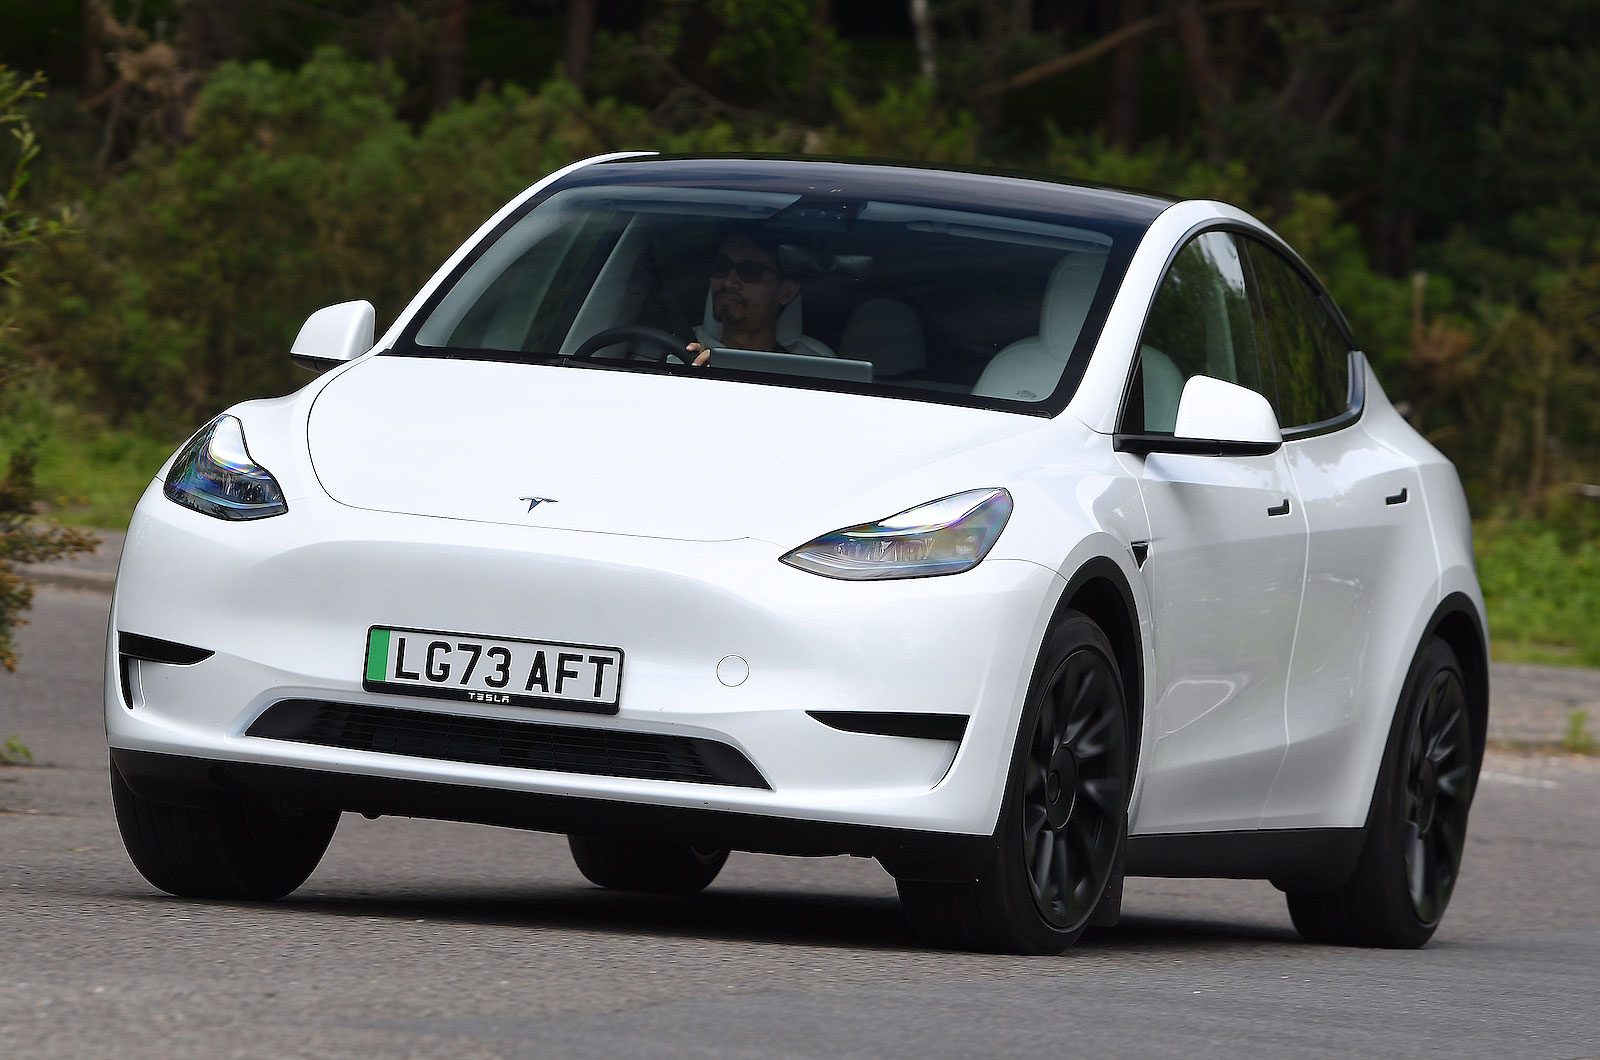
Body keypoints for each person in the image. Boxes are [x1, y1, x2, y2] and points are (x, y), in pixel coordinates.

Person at [685, 228, 833, 365]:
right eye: (721, 267)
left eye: (749, 271)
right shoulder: (681, 351)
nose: (729, 282)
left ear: (785, 292)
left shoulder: (813, 368)